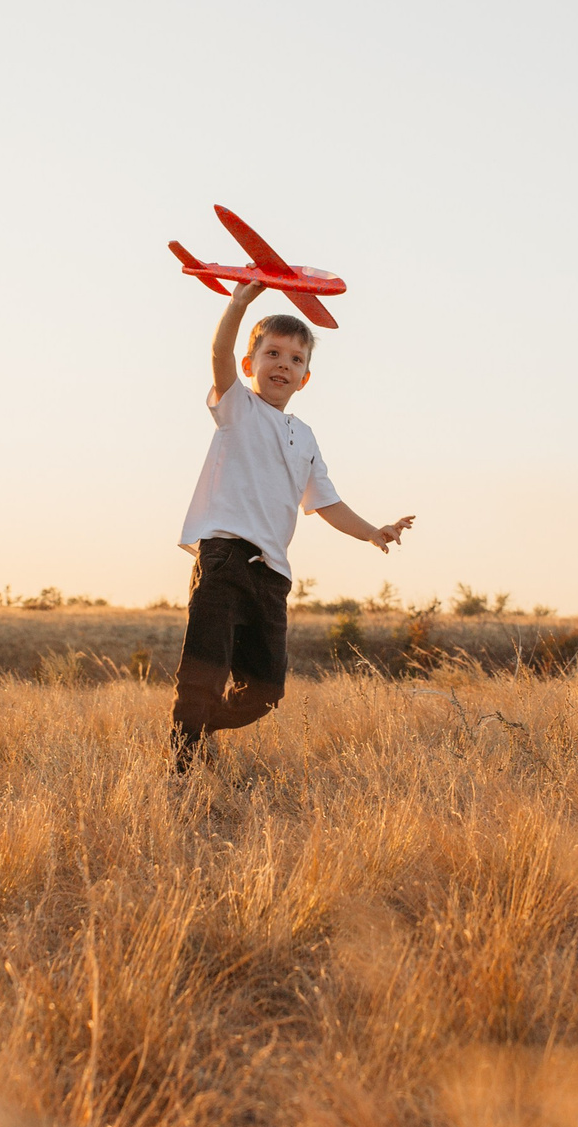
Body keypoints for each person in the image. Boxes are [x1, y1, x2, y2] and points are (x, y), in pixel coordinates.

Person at [173, 282, 413, 770]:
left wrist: (373, 531)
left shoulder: (303, 436)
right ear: (249, 365)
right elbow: (218, 349)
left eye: (296, 359)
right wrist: (239, 303)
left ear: (305, 377)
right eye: (272, 354)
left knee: (264, 691)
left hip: (272, 575)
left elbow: (326, 501)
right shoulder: (237, 408)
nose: (283, 364)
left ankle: (195, 725)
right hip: (225, 558)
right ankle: (182, 766)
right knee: (205, 671)